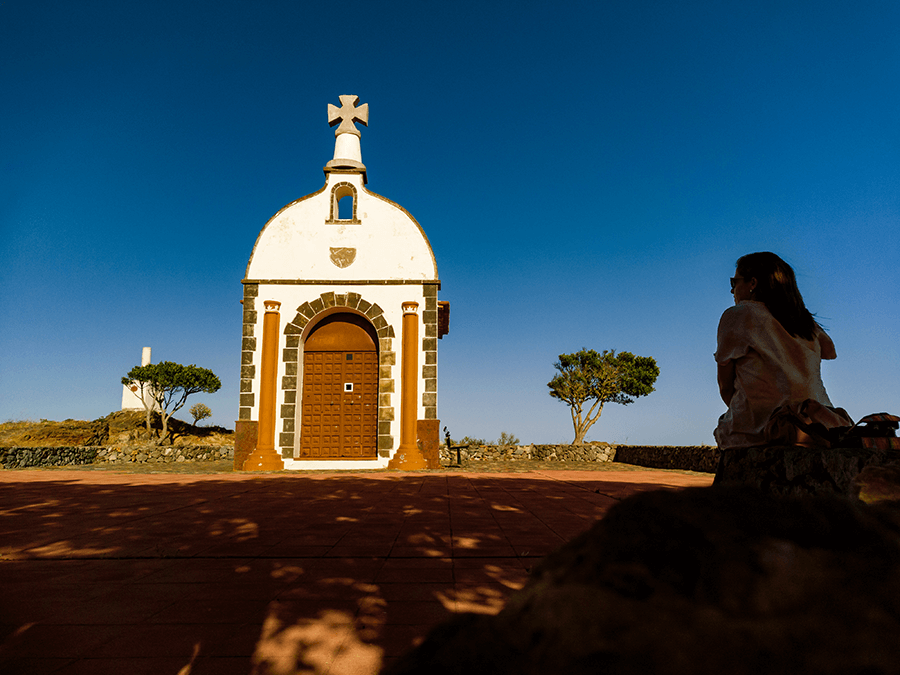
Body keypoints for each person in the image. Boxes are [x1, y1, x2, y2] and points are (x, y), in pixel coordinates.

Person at [714, 252, 851, 450]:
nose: (733, 291)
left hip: (764, 429)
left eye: (734, 283)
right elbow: (830, 352)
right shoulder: (807, 324)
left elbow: (725, 387)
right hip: (817, 424)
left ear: (752, 283)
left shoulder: (739, 314)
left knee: (726, 427)